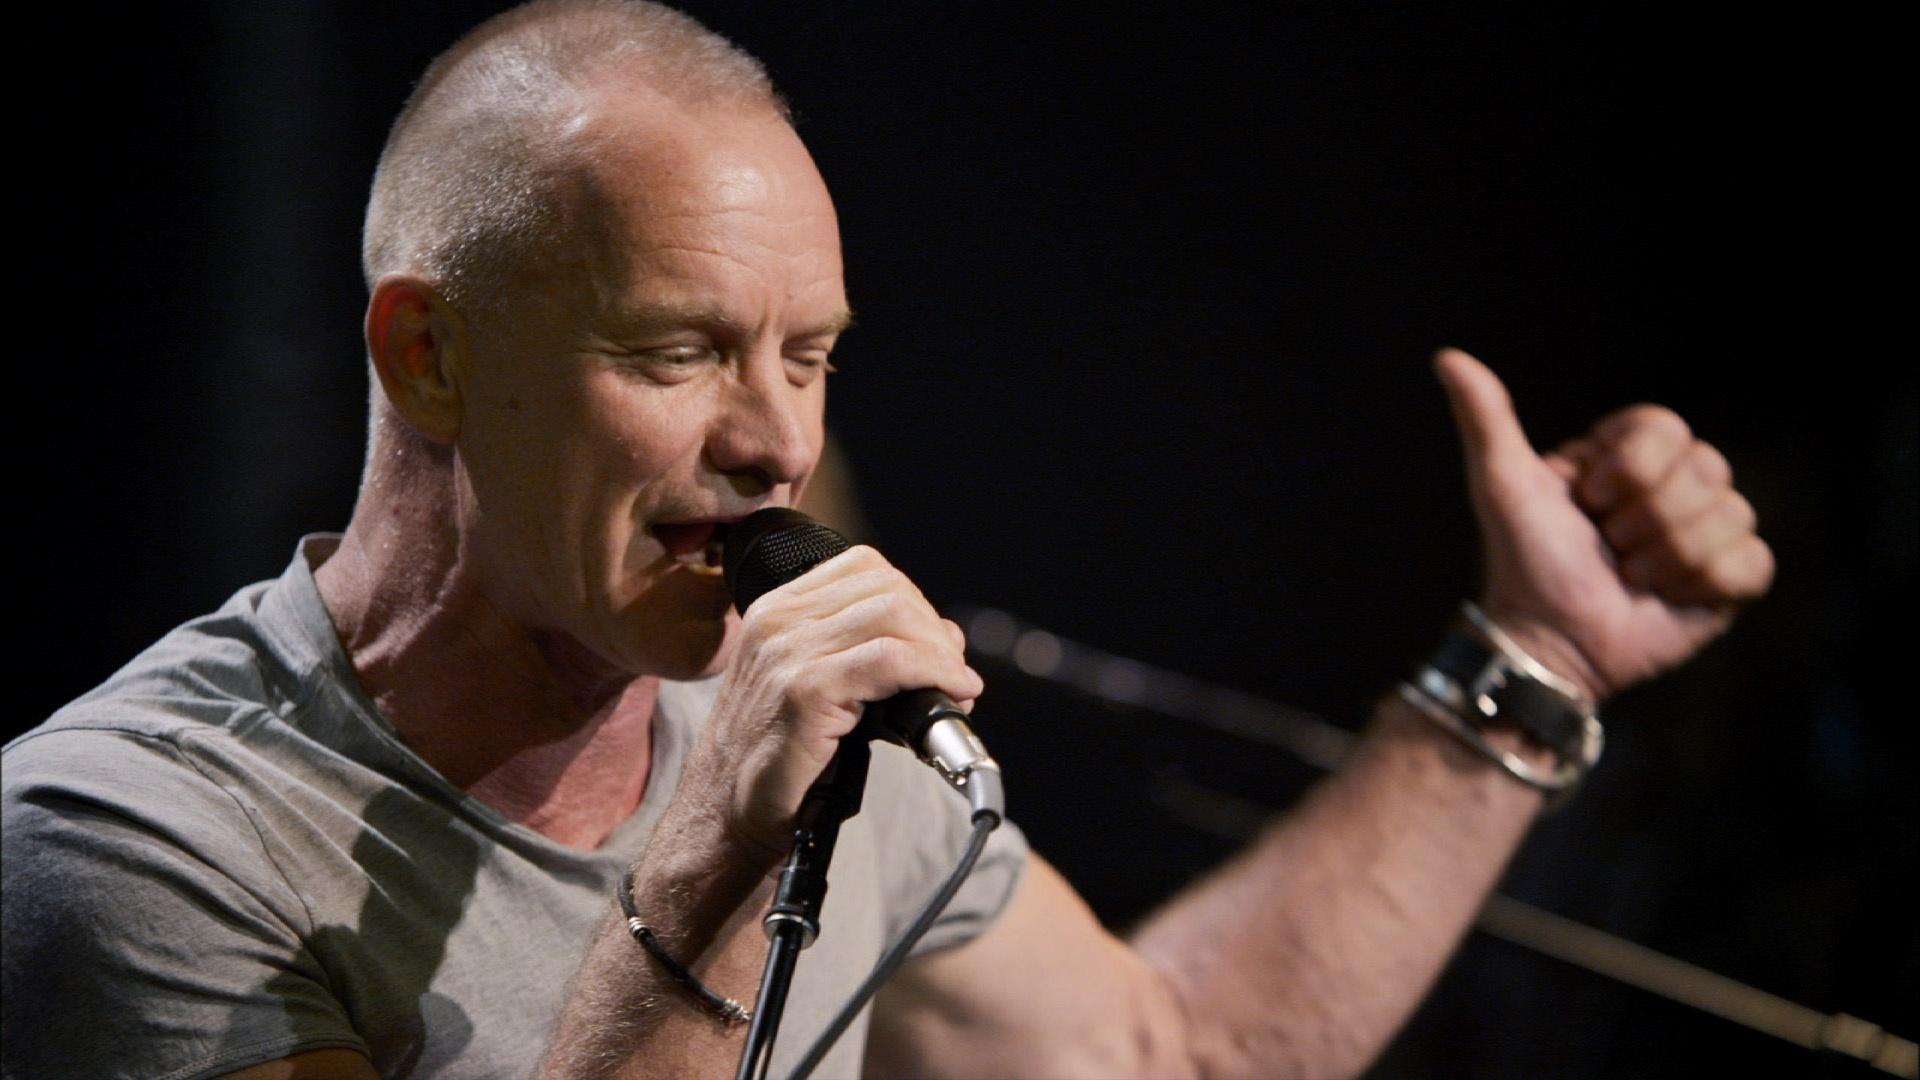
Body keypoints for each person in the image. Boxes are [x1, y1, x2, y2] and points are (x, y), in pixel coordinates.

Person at [0, 2, 1775, 1077]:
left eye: (811, 354)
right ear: (429, 353)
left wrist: (1532, 659)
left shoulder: (785, 723)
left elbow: (1171, 1050)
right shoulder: (128, 844)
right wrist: (714, 871)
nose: (778, 440)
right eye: (681, 349)